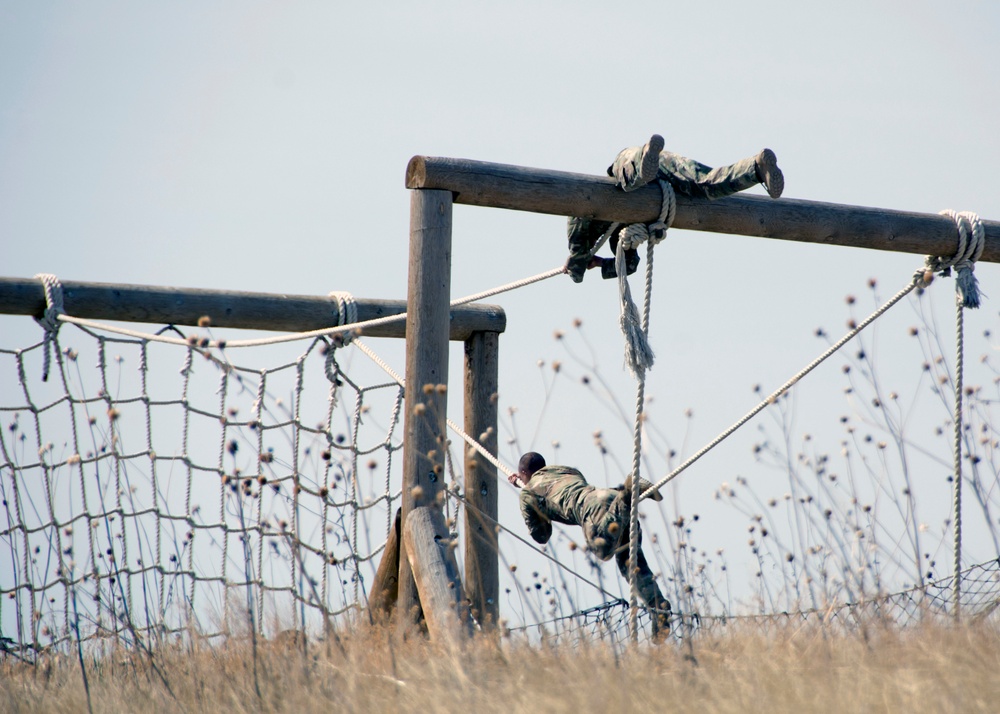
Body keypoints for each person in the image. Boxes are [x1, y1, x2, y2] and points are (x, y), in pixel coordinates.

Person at [566, 134, 785, 283]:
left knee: (627, 181)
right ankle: (756, 168)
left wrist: (578, 260)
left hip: (627, 162)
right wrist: (601, 263)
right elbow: (629, 265)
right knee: (705, 185)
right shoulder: (620, 236)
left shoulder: (580, 231)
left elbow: (578, 215)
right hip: (660, 167)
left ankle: (643, 165)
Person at [509, 451, 672, 640]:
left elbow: (542, 535)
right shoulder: (567, 471)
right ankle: (658, 606)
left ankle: (627, 494)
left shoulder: (528, 493)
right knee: (632, 564)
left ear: (523, 473)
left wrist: (523, 492)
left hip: (592, 511)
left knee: (602, 550)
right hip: (608, 496)